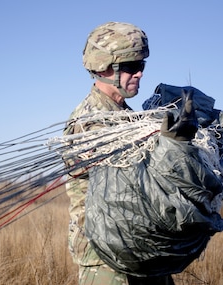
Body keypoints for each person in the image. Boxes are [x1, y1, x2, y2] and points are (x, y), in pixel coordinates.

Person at [64, 22, 176, 284]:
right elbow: (126, 183)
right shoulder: (88, 122)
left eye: (141, 66)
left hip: (142, 248)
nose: (139, 74)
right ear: (104, 68)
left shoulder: (128, 117)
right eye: (129, 67)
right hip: (106, 257)